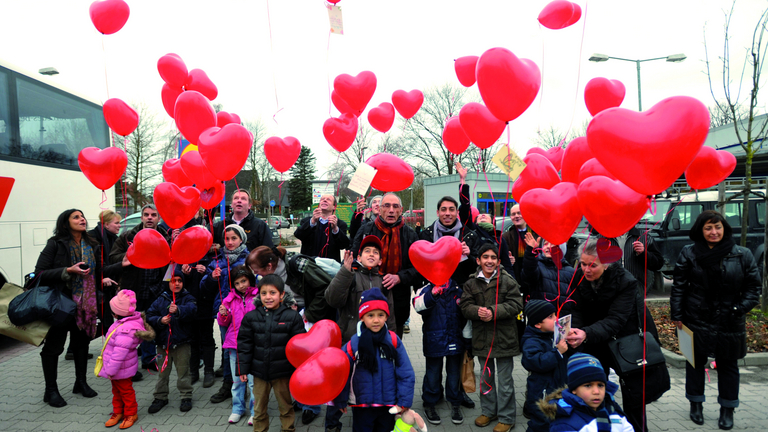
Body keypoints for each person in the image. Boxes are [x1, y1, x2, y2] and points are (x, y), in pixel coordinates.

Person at [566, 237, 669, 432]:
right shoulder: (577, 276)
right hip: (594, 338)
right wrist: (575, 331)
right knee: (594, 388)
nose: (586, 270)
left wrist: (585, 333)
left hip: (626, 338)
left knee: (634, 396)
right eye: (583, 264)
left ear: (606, 264)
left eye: (592, 265)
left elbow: (616, 320)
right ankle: (598, 425)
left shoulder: (626, 281)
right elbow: (575, 308)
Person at [670, 210, 760, 430]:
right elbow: (679, 286)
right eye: (708, 227)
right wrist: (677, 315)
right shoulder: (689, 253)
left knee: (729, 365)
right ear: (700, 230)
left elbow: (753, 288)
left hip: (730, 317)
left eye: (717, 227)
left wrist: (739, 308)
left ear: (724, 229)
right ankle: (696, 404)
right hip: (696, 316)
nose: (713, 232)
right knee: (695, 362)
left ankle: (727, 410)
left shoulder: (742, 254)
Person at [34, 208, 127, 408]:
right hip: (60, 304)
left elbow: (99, 272)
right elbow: (39, 273)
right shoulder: (56, 244)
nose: (82, 219)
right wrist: (68, 270)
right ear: (65, 223)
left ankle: (81, 382)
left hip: (85, 304)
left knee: (81, 345)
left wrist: (123, 265)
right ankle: (50, 390)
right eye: (76, 217)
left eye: (83, 216)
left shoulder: (92, 244)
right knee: (54, 348)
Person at [322, 235, 395, 432]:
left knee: (364, 383)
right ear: (359, 257)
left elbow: (391, 315)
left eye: (376, 252)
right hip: (349, 342)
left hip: (376, 344)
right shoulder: (350, 275)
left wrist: (394, 342)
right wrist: (345, 272)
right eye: (367, 251)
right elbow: (332, 299)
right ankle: (332, 424)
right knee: (340, 383)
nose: (371, 254)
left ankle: (366, 418)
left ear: (380, 260)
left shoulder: (383, 281)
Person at [461, 243, 523, 432]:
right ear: (478, 260)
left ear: (499, 261)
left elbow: (516, 304)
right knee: (486, 378)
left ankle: (507, 417)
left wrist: (493, 311)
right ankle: (489, 411)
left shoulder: (507, 280)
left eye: (493, 257)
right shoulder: (471, 282)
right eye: (485, 257)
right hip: (482, 338)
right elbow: (465, 305)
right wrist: (476, 311)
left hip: (505, 338)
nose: (489, 261)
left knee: (505, 382)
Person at [336, 287, 415, 432]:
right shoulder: (353, 344)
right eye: (370, 315)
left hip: (388, 405)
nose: (376, 320)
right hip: (362, 405)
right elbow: (342, 372)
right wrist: (340, 399)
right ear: (362, 317)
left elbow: (406, 372)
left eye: (381, 315)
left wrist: (404, 400)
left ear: (386, 316)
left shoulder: (393, 340)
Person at [236, 274, 306, 432]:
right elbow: (244, 345)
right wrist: (242, 369)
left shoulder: (292, 316)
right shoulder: (251, 317)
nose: (268, 297)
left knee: (286, 406)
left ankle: (288, 429)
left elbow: (299, 346)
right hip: (259, 373)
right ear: (258, 295)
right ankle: (259, 429)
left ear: (282, 295)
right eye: (264, 293)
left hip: (282, 373)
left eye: (272, 293)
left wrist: (299, 370)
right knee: (259, 409)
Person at [110, 204, 171, 374]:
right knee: (129, 328)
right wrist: (128, 255)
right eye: (146, 215)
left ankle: (149, 360)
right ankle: (127, 365)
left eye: (153, 215)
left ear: (159, 218)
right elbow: (112, 257)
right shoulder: (128, 236)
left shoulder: (165, 237)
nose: (149, 218)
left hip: (155, 289)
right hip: (133, 289)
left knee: (151, 324)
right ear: (142, 217)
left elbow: (171, 261)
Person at [351, 192, 420, 338]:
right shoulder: (366, 230)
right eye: (387, 206)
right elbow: (354, 259)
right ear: (380, 209)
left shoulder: (410, 235)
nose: (391, 210)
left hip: (398, 298)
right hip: (369, 294)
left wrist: (399, 277)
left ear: (401, 210)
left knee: (393, 343)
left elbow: (419, 270)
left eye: (395, 207)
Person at [64, 209, 123, 362]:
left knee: (98, 320)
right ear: (107, 224)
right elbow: (93, 266)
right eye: (117, 223)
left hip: (99, 286)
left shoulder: (109, 238)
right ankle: (115, 355)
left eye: (82, 216)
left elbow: (103, 264)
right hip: (88, 289)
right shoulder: (94, 238)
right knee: (105, 320)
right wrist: (101, 278)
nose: (119, 226)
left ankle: (76, 347)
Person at [201, 224, 249, 404]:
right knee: (228, 348)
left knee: (244, 348)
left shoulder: (248, 259)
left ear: (241, 240)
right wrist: (212, 277)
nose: (229, 242)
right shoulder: (216, 261)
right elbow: (204, 288)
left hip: (245, 311)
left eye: (234, 238)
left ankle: (244, 383)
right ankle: (228, 384)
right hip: (224, 312)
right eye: (227, 239)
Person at [97, 289, 155, 430]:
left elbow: (119, 353)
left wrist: (110, 369)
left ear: (118, 313)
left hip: (119, 367)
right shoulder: (123, 322)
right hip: (116, 367)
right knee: (116, 390)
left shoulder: (126, 329)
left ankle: (130, 413)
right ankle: (118, 411)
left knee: (126, 391)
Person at [413, 277, 467, 425]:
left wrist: (467, 339)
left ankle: (455, 401)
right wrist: (432, 294)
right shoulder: (426, 289)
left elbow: (465, 317)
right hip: (434, 339)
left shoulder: (458, 291)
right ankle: (430, 401)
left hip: (455, 338)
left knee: (454, 372)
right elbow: (417, 306)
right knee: (433, 372)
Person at [146, 268, 198, 414]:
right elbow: (149, 315)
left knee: (183, 372)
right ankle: (160, 397)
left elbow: (192, 310)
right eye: (173, 281)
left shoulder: (188, 297)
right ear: (168, 283)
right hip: (163, 344)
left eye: (180, 281)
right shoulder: (160, 299)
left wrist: (179, 310)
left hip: (182, 343)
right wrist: (160, 320)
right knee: (163, 373)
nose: (176, 284)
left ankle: (186, 396)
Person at [539, 353, 633, 432]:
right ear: (574, 389)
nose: (596, 392)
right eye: (588, 385)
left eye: (600, 385)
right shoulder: (564, 424)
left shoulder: (612, 409)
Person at [217, 266, 259, 426]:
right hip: (234, 345)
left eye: (244, 281)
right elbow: (223, 322)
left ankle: (256, 412)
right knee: (237, 381)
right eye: (237, 283)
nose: (241, 285)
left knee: (253, 381)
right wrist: (223, 314)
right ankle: (238, 408)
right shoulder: (229, 300)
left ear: (250, 279)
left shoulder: (257, 297)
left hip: (253, 345)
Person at [456, 162, 514, 275]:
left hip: (496, 280)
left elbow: (506, 264)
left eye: (486, 216)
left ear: (493, 221)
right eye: (479, 216)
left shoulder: (499, 239)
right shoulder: (472, 231)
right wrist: (462, 181)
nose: (482, 215)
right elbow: (465, 208)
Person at [520, 300, 568, 432]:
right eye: (550, 317)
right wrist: (557, 352)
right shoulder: (531, 341)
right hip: (542, 393)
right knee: (541, 424)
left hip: (556, 388)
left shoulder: (550, 335)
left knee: (556, 421)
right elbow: (536, 362)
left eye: (555, 315)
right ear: (537, 324)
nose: (556, 319)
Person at [520, 233, 575, 317]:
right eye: (545, 244)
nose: (548, 247)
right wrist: (531, 252)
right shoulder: (537, 265)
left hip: (562, 321)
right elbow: (528, 274)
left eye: (553, 244)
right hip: (541, 320)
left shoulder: (571, 271)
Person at [294, 194, 351, 263]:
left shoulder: (340, 224)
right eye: (322, 199)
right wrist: (312, 221)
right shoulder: (307, 221)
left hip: (329, 266)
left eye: (328, 199)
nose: (324, 200)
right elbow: (298, 235)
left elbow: (344, 245)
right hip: (309, 265)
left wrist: (335, 229)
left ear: (334, 207)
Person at [501, 204, 534, 286]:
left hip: (534, 275)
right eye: (513, 214)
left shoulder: (536, 234)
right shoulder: (506, 236)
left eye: (519, 213)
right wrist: (508, 260)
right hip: (515, 276)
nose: (516, 216)